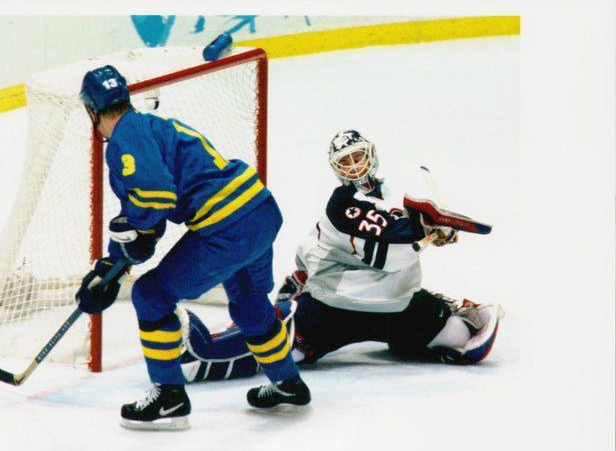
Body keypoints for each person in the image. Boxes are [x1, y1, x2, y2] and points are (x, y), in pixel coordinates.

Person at [75, 65, 310, 430]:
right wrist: (112, 265)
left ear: (91, 110)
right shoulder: (151, 125)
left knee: (151, 297)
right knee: (249, 305)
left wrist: (117, 263)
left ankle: (169, 397)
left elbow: (153, 199)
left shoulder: (126, 137)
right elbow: (145, 222)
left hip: (227, 228)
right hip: (259, 211)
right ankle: (288, 383)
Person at [175, 129, 505, 382]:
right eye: (345, 162)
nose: (354, 166)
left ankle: (428, 319)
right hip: (340, 306)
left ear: (371, 156)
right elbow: (390, 253)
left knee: (459, 336)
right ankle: (206, 354)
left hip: (393, 305)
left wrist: (434, 232)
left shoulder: (390, 195)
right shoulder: (342, 204)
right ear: (337, 169)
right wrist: (425, 232)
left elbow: (396, 233)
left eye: (358, 156)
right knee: (291, 347)